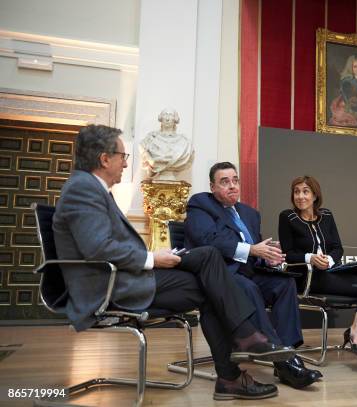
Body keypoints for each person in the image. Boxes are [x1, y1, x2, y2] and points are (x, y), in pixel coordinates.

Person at [53, 125, 295, 401]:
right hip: (109, 288)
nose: (125, 163)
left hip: (124, 277)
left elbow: (103, 245)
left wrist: (158, 257)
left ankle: (243, 348)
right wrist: (152, 258)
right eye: (123, 156)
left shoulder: (91, 189)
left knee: (207, 258)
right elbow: (97, 248)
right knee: (210, 280)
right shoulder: (83, 189)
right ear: (104, 159)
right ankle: (238, 358)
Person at [184, 162, 322, 389]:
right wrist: (251, 250)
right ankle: (285, 362)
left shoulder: (250, 213)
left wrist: (267, 257)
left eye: (235, 180)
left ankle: (287, 354)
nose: (232, 186)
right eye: (224, 182)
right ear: (213, 186)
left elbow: (257, 248)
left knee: (284, 284)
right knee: (248, 288)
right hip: (221, 276)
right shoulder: (201, 204)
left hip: (250, 272)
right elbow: (208, 240)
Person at [278, 175, 357, 373]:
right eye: (296, 191)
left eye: (305, 191)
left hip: (332, 271)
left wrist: (329, 261)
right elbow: (287, 253)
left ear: (315, 195)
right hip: (307, 278)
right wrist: (310, 258)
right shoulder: (287, 217)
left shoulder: (326, 215)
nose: (300, 196)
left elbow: (337, 248)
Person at [139, 108, 194, 180]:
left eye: (170, 115)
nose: (167, 119)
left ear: (175, 119)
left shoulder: (184, 142)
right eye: (165, 115)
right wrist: (148, 156)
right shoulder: (151, 138)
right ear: (161, 118)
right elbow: (142, 146)